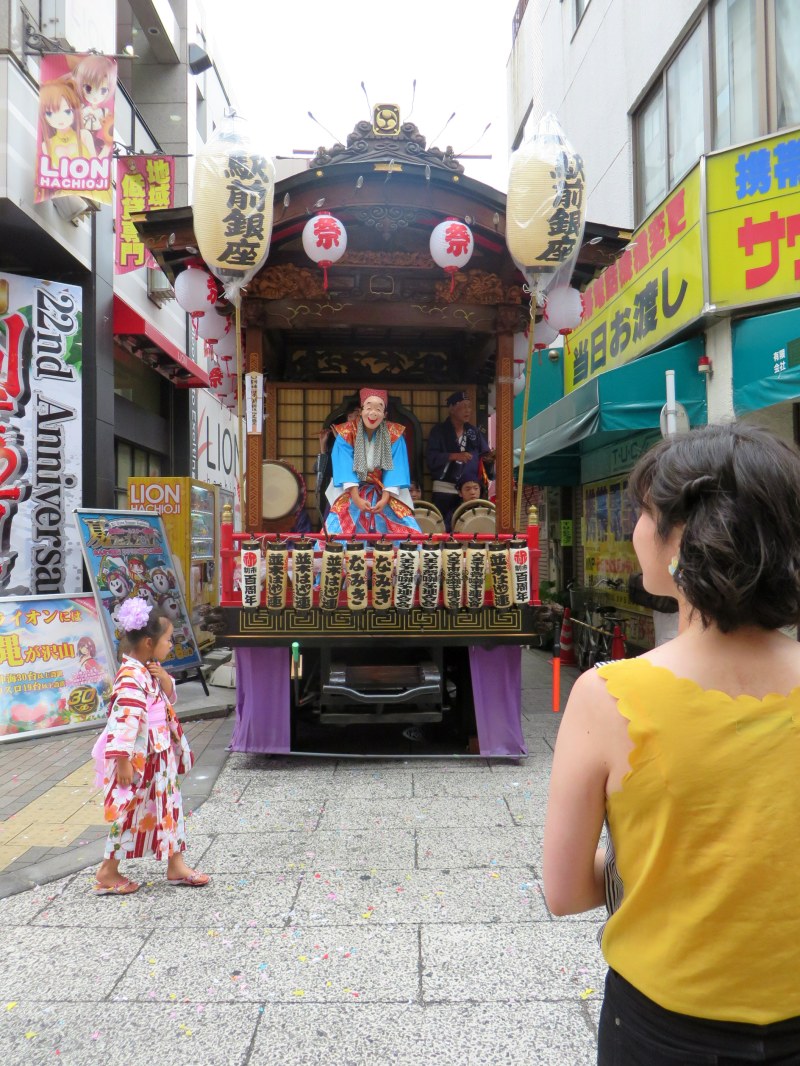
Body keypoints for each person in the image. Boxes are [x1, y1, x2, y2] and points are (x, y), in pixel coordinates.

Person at [543, 423, 800, 1063]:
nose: (633, 529)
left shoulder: (608, 697)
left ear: (681, 538)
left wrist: (655, 858)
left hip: (662, 1028)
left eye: (642, 514)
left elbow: (566, 888)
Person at [92, 598, 210, 895]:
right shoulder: (131, 676)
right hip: (141, 757)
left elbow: (164, 700)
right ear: (148, 642)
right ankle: (108, 870)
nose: (171, 645)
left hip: (158, 753)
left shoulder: (146, 669)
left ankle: (176, 863)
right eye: (167, 640)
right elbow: (124, 720)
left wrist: (167, 683)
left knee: (169, 806)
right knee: (132, 812)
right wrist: (121, 760)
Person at [324, 387, 421, 536]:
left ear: (385, 414)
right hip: (352, 489)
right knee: (338, 525)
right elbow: (345, 467)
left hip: (386, 489)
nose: (373, 413)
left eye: (379, 409)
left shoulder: (394, 433)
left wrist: (385, 498)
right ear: (361, 411)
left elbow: (396, 469)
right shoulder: (346, 433)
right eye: (368, 408)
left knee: (406, 530)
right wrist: (356, 499)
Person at [426, 391, 494, 529]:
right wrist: (453, 456)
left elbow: (484, 455)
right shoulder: (439, 431)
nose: (468, 410)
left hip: (469, 490)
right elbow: (431, 458)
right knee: (444, 527)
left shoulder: (473, 432)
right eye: (463, 406)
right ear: (451, 408)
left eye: (469, 406)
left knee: (471, 525)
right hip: (444, 489)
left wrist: (489, 458)